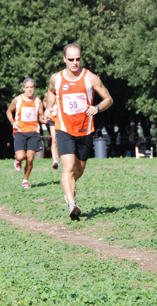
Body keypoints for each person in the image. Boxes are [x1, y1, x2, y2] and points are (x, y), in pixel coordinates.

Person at [44, 43, 113, 220]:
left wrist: (97, 108)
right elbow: (51, 94)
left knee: (79, 169)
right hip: (63, 128)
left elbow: (108, 99)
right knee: (68, 165)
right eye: (71, 59)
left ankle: (68, 190)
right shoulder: (56, 78)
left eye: (78, 59)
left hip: (84, 129)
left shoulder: (90, 78)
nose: (74, 63)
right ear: (64, 59)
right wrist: (49, 108)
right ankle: (71, 204)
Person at [6, 78, 44, 189]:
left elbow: (41, 116)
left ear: (34, 88)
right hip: (20, 131)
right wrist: (12, 122)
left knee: (30, 158)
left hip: (33, 132)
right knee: (21, 156)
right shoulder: (18, 99)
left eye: (31, 87)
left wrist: (45, 119)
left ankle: (25, 180)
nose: (29, 90)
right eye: (27, 87)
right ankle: (17, 161)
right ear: (23, 88)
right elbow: (9, 111)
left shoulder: (38, 101)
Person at [43, 96, 60, 169]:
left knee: (60, 139)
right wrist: (47, 109)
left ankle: (58, 156)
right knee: (54, 140)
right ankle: (55, 160)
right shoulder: (49, 93)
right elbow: (44, 101)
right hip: (52, 118)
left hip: (61, 118)